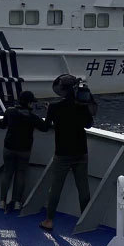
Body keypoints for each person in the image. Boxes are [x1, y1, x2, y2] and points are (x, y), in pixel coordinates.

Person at [39, 77, 95, 231]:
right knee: (83, 188)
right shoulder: (82, 105)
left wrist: (49, 111)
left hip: (62, 153)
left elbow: (45, 126)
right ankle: (85, 221)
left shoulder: (54, 107)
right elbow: (89, 125)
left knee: (56, 187)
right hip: (81, 151)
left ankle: (49, 220)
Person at [0, 90, 48, 212]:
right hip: (24, 150)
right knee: (20, 174)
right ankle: (17, 202)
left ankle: (2, 201)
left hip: (9, 148)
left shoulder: (10, 112)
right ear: (29, 103)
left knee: (7, 173)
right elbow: (45, 128)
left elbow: (2, 124)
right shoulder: (32, 117)